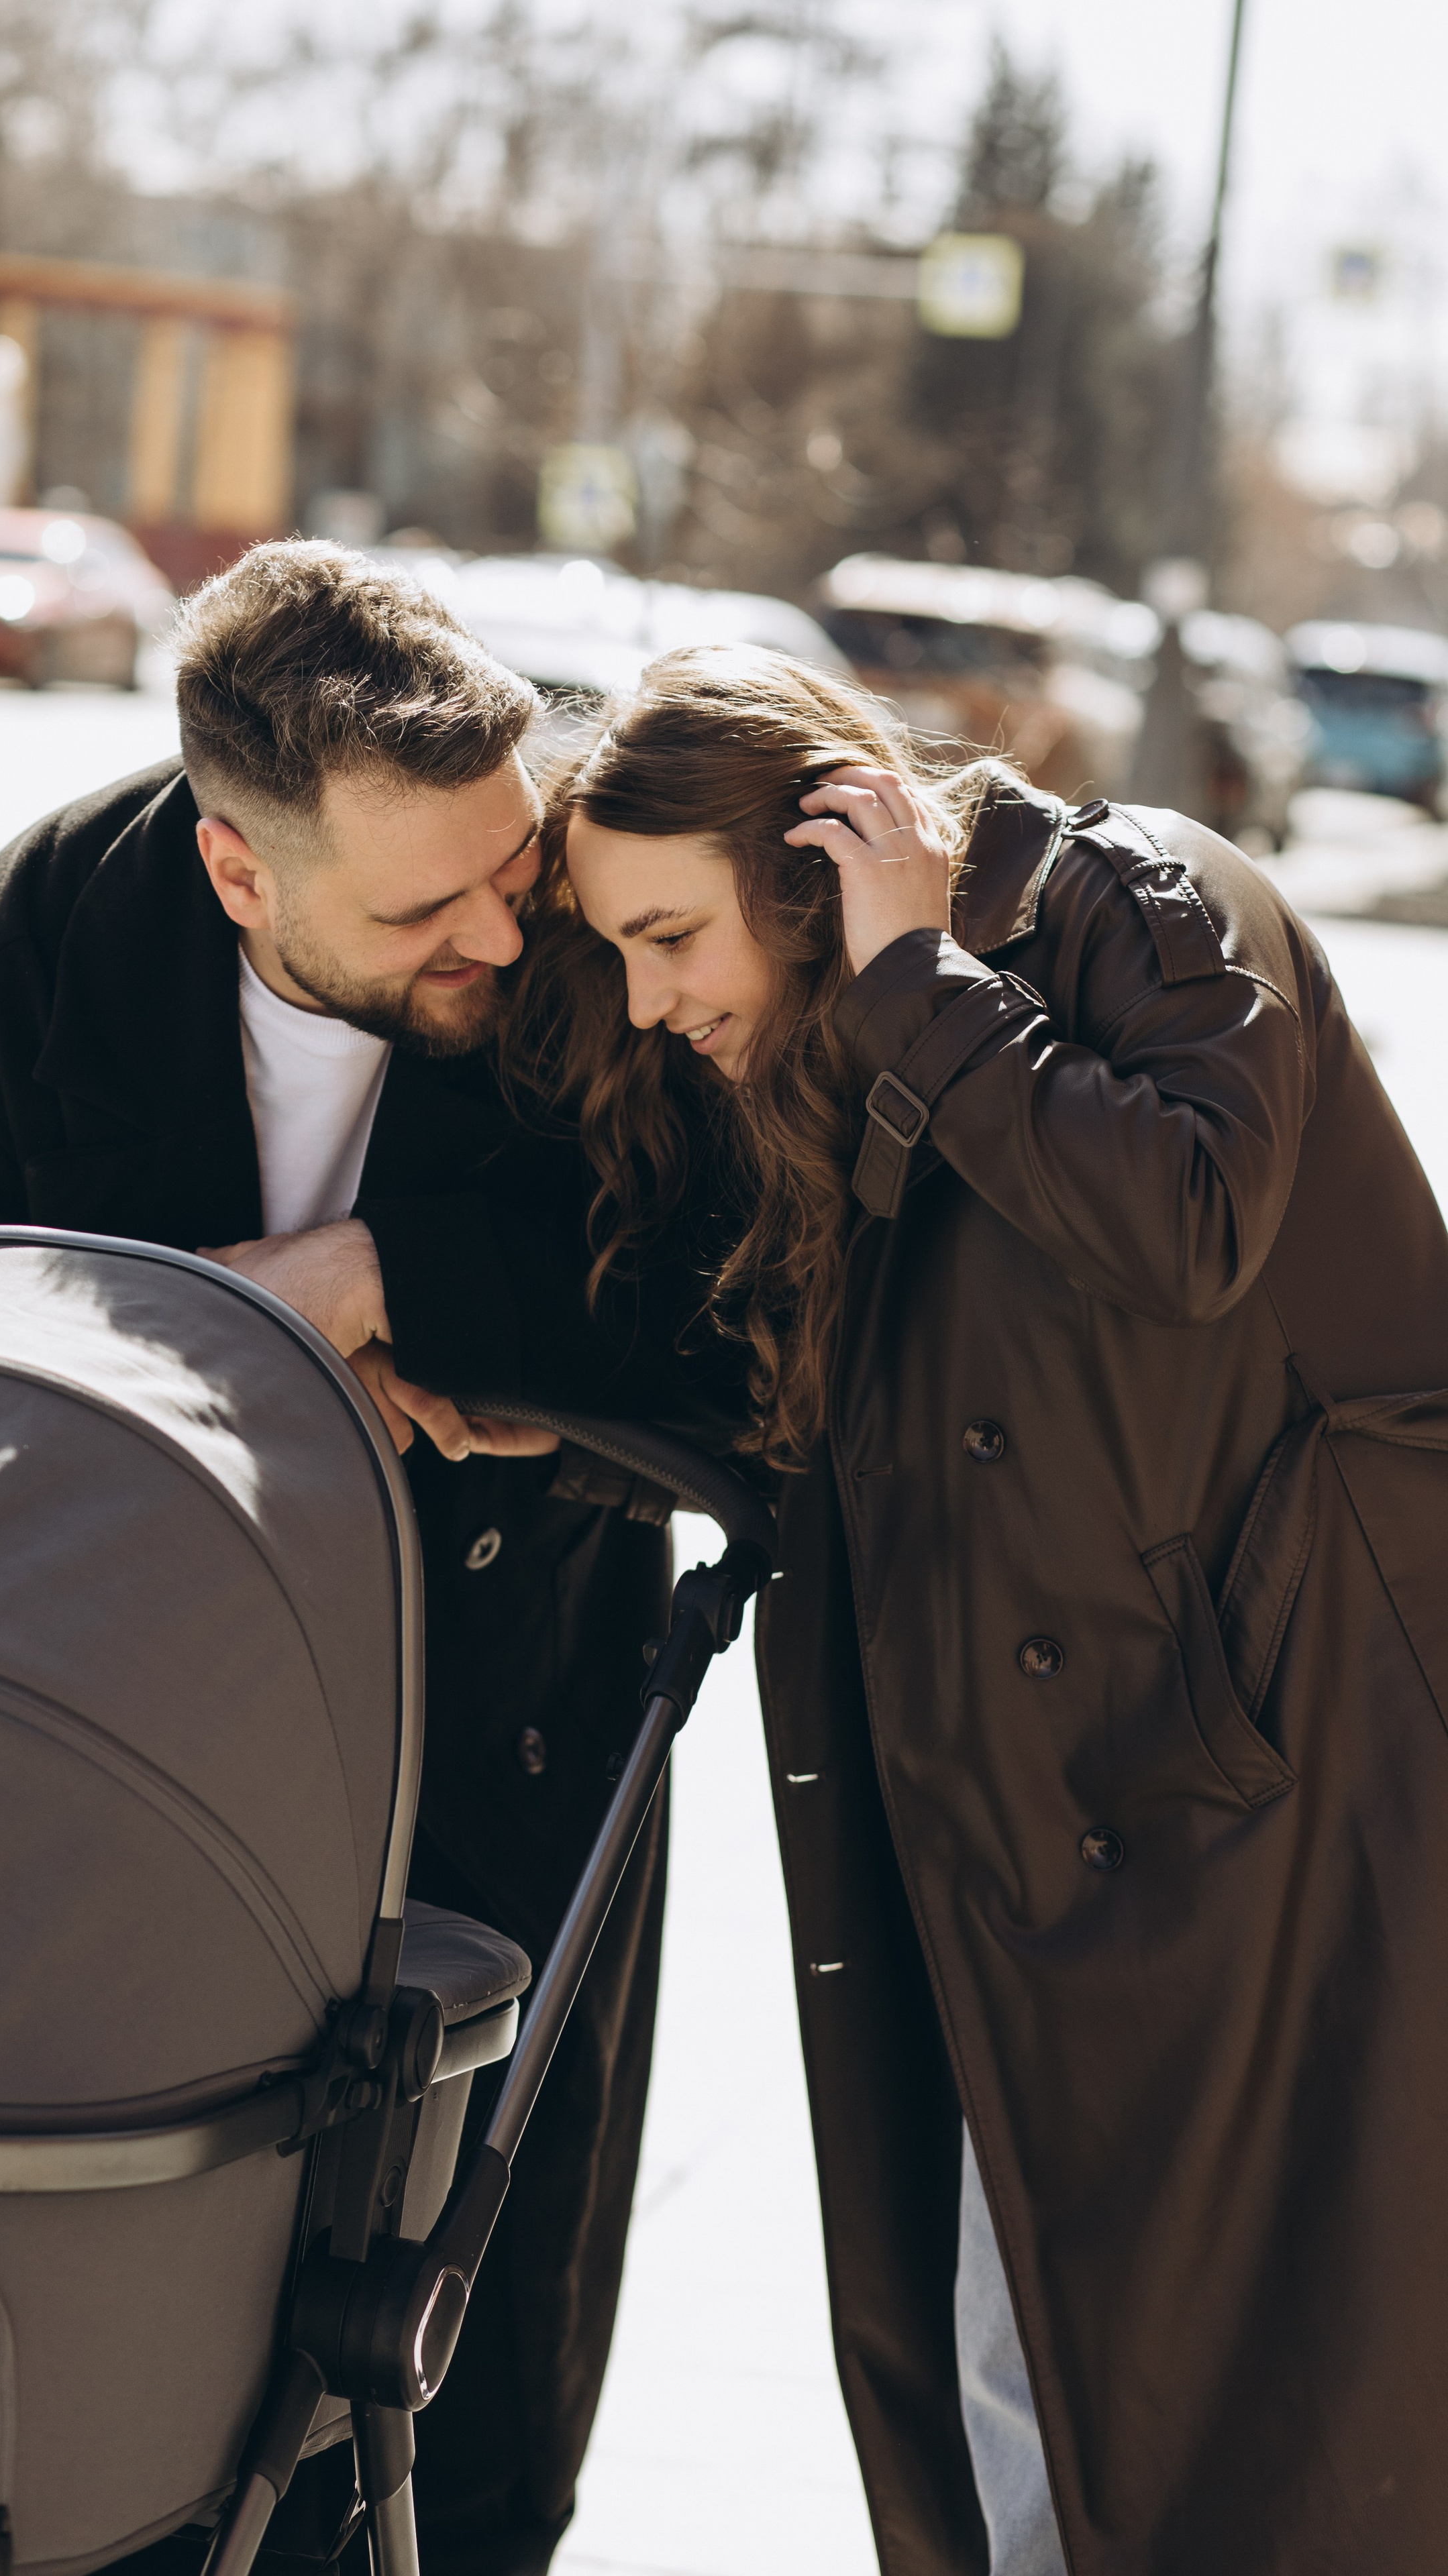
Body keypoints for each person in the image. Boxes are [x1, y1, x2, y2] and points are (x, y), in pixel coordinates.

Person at [486, 642, 1448, 2576]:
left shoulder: (1147, 904)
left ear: (810, 852)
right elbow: (876, 1418)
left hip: (1270, 1795)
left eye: (670, 935)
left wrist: (920, 972)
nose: (657, 999)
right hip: (1031, 1827)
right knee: (1032, 2368)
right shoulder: (831, 1061)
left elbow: (1186, 1217)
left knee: (1238, 2394)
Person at [0, 541, 676, 2576]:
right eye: (424, 908)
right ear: (240, 874)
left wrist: (393, 1273)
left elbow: (732, 1299)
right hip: (108, 1747)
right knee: (128, 2348)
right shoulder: (36, 956)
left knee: (455, 2363)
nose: (500, 937)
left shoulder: (575, 942)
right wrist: (202, 1349)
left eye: (506, 866)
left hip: (498, 1719)